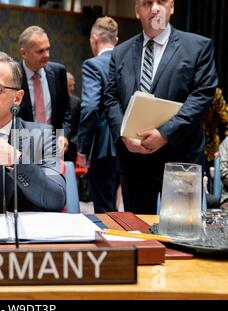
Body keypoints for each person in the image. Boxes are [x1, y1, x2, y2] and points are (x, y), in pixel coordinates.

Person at [104, 0, 218, 214]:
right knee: (139, 235)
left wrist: (165, 133)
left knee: (182, 236)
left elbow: (201, 96)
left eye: (161, 2)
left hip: (180, 156)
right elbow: (110, 98)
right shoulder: (120, 53)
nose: (155, 8)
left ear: (172, 7)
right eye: (147, 3)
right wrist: (123, 135)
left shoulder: (198, 47)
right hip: (133, 159)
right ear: (137, 11)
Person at [0, 50, 66, 214]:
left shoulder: (43, 135)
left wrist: (15, 160)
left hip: (25, 236)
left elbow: (56, 199)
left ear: (17, 97)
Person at [77, 16, 119, 213]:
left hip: (104, 147)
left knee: (104, 211)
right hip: (132, 144)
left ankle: (109, 244)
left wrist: (83, 148)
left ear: (94, 38)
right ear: (116, 40)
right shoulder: (129, 63)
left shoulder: (93, 65)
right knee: (132, 210)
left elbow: (90, 108)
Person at [17, 25, 72, 157]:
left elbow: (66, 111)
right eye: (40, 51)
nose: (47, 55)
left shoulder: (58, 72)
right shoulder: (12, 76)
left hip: (53, 147)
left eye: (48, 49)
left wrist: (62, 136)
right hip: (22, 149)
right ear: (23, 53)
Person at [65, 71, 80, 163]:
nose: (72, 88)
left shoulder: (76, 102)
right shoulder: (55, 101)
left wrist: (75, 140)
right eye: (69, 86)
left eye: (73, 85)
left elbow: (80, 123)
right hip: (58, 142)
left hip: (72, 145)